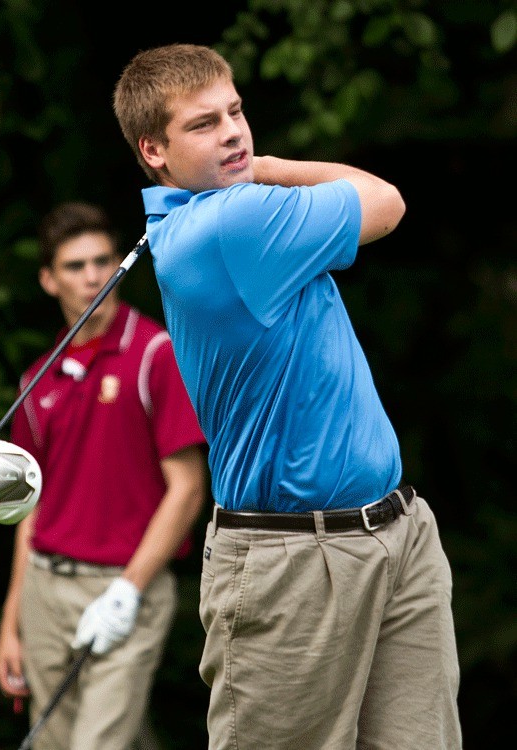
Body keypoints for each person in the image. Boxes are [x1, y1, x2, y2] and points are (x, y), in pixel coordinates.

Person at [112, 43, 462, 750]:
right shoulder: (229, 226)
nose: (235, 131)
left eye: (236, 111)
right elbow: (386, 202)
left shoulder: (234, 217)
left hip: (397, 535)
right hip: (298, 561)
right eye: (204, 124)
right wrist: (271, 170)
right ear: (154, 150)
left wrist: (253, 175)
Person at [0, 201, 208, 750]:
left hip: (124, 587)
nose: (93, 277)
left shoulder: (155, 353)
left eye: (103, 261)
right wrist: (11, 621)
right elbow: (31, 510)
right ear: (47, 279)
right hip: (45, 588)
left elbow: (187, 490)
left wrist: (127, 592)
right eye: (74, 266)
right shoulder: (35, 379)